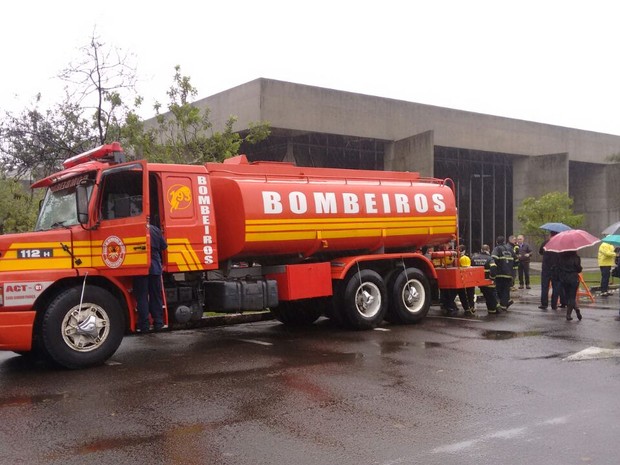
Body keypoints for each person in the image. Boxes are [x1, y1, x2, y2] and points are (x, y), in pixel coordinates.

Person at [134, 224, 168, 332]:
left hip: (140, 267)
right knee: (156, 295)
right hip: (155, 268)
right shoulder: (155, 229)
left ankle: (144, 325)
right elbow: (164, 246)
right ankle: (158, 322)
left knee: (142, 297)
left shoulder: (135, 228)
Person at [538, 231, 565, 310]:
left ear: (550, 235)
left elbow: (540, 252)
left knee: (545, 286)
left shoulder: (545, 243)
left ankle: (544, 303)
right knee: (556, 287)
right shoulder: (560, 244)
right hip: (556, 268)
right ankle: (554, 304)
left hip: (546, 268)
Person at [471, 244, 500, 314]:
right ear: (488, 250)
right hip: (487, 281)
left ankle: (493, 308)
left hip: (478, 281)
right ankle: (492, 310)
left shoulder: (474, 258)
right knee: (491, 296)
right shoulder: (490, 258)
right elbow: (493, 268)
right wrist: (492, 278)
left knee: (485, 295)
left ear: (481, 250)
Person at [491, 235, 516, 311]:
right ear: (504, 241)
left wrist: (493, 270)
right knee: (506, 289)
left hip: (499, 274)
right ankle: (506, 302)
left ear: (497, 242)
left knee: (499, 289)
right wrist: (513, 271)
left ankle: (503, 305)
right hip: (509, 274)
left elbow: (493, 260)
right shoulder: (510, 249)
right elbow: (516, 260)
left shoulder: (497, 249)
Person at [556, 251, 583, 321]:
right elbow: (579, 269)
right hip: (573, 278)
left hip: (564, 278)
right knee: (572, 296)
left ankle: (574, 309)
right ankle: (570, 313)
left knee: (568, 296)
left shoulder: (561, 257)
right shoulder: (576, 257)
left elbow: (558, 267)